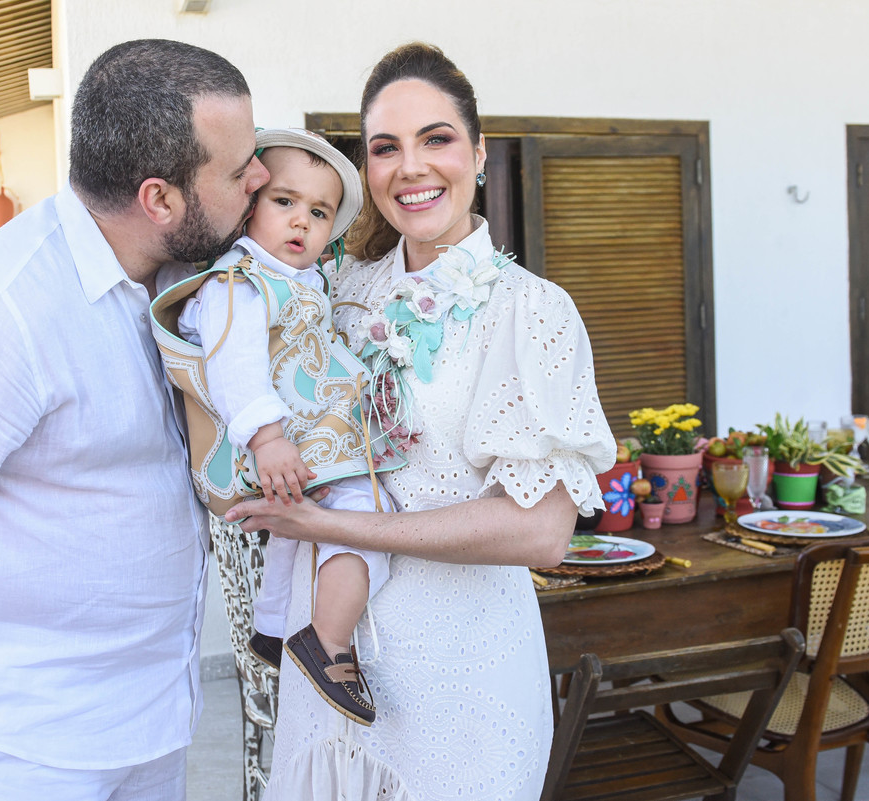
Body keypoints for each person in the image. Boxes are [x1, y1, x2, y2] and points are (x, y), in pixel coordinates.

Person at [0, 39, 267, 800]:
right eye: (239, 170)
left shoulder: (190, 285)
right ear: (159, 200)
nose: (260, 178)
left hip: (154, 720)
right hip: (24, 743)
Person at [226, 43, 617, 800]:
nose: (411, 167)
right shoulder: (336, 291)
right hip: (326, 675)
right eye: (385, 148)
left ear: (479, 152)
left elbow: (541, 532)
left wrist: (331, 525)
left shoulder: (531, 311)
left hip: (461, 680)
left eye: (436, 139)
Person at [163, 128, 399, 726]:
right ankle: (329, 643)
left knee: (296, 524)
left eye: (319, 212)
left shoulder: (301, 281)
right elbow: (233, 365)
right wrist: (267, 439)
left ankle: (271, 629)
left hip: (306, 441)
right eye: (284, 201)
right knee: (367, 514)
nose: (301, 221)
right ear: (249, 205)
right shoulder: (240, 284)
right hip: (279, 441)